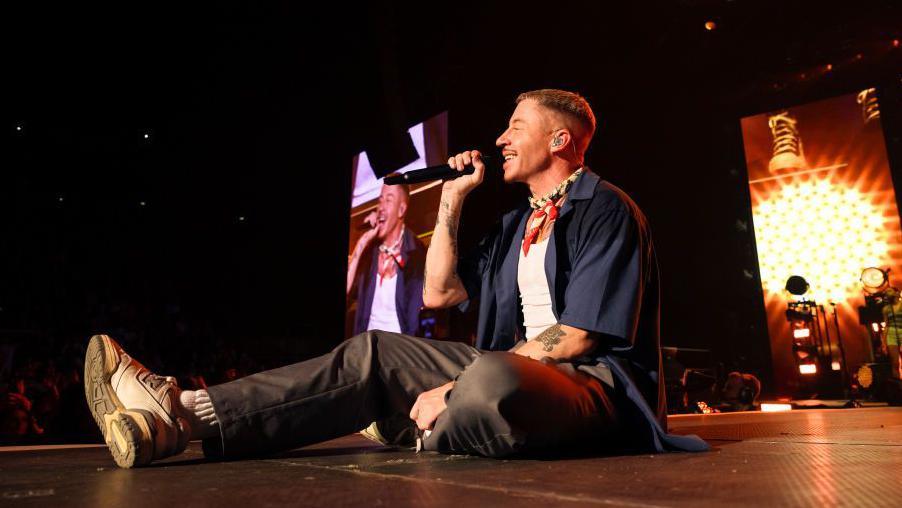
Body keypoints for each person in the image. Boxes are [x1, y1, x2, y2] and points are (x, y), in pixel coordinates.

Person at [84, 89, 707, 469]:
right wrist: (454, 197)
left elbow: (574, 339)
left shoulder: (606, 208)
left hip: (592, 389)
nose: (500, 138)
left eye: (516, 127)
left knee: (491, 377)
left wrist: (456, 384)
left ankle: (422, 416)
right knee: (377, 350)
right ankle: (182, 416)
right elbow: (439, 294)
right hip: (510, 372)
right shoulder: (518, 225)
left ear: (562, 138)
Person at [346, 182, 426, 336]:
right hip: (366, 349)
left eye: (388, 200)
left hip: (399, 351)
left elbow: (417, 315)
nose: (381, 207)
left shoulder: (417, 252)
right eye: (380, 199)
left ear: (401, 209)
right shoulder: (369, 251)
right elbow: (347, 292)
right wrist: (363, 241)